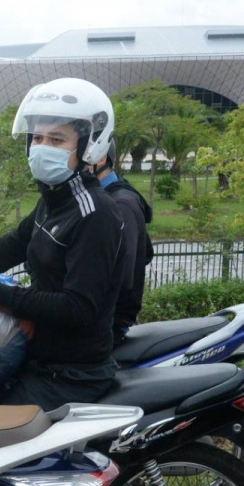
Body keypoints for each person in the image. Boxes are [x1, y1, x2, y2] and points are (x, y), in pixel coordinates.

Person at [0, 77, 126, 411]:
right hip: (39, 356)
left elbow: (78, 308)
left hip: (72, 373)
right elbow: (9, 247)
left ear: (88, 146)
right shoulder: (54, 201)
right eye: (37, 137)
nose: (42, 146)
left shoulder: (95, 215)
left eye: (56, 139)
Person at [89, 139, 154, 339]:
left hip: (104, 328)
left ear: (100, 158)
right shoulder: (98, 197)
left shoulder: (121, 204)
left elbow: (122, 275)